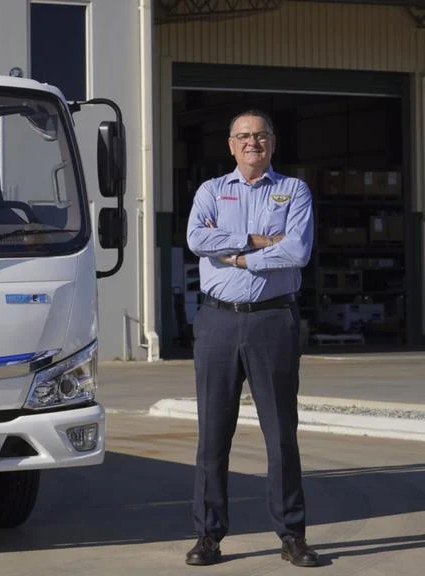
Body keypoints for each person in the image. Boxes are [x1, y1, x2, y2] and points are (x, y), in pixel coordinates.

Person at [184, 110, 319, 568]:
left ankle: (291, 535)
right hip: (218, 322)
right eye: (243, 136)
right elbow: (196, 239)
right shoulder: (210, 191)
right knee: (212, 436)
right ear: (230, 144)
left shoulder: (294, 190)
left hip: (272, 322)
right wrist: (257, 240)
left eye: (260, 136)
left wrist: (239, 259)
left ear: (273, 143)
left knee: (281, 434)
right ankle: (208, 536)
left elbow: (296, 251)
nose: (252, 143)